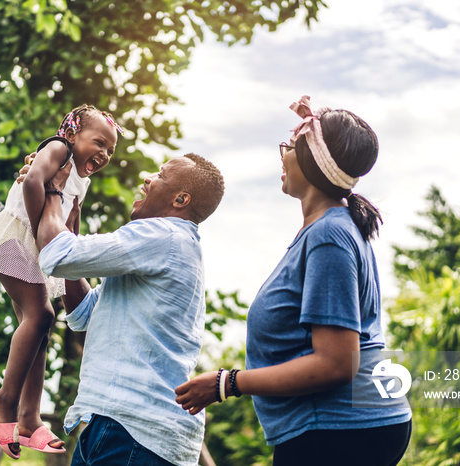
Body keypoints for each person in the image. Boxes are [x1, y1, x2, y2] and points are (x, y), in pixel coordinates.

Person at [175, 96, 412, 465]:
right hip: (339, 428)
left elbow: (336, 363)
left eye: (288, 147)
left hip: (339, 430)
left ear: (311, 159)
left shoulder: (329, 235)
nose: (282, 156)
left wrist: (227, 383)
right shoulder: (327, 231)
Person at [0, 104, 123, 459]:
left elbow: (72, 222)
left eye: (110, 151)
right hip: (16, 238)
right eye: (98, 142)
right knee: (42, 317)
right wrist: (43, 234)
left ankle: (29, 418)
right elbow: (32, 182)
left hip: (38, 250)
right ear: (72, 134)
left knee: (38, 328)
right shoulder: (58, 149)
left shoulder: (81, 181)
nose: (103, 154)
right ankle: (2, 402)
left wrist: (69, 253)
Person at [33, 153, 225, 465]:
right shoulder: (172, 244)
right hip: (121, 426)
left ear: (180, 198)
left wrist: (54, 190)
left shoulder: (164, 235)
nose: (147, 178)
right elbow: (83, 315)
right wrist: (69, 227)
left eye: (160, 175)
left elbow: (56, 256)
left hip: (132, 433)